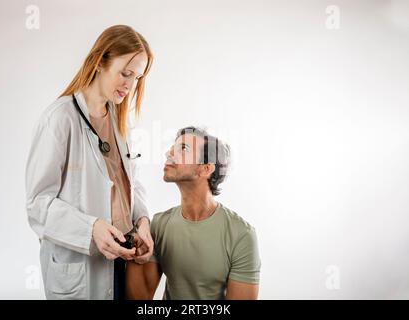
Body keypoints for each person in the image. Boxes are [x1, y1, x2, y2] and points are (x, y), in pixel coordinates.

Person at [25, 25, 154, 300]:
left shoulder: (121, 122)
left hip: (122, 260)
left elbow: (130, 183)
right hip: (81, 267)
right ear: (99, 62)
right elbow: (37, 204)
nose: (130, 85)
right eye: (125, 73)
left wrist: (142, 221)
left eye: (137, 78)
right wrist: (91, 228)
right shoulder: (60, 119)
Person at [126, 127, 261, 300]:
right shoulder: (158, 225)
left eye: (183, 148)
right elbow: (139, 297)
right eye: (173, 147)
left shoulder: (241, 235)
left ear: (205, 169)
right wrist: (132, 247)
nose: (169, 153)